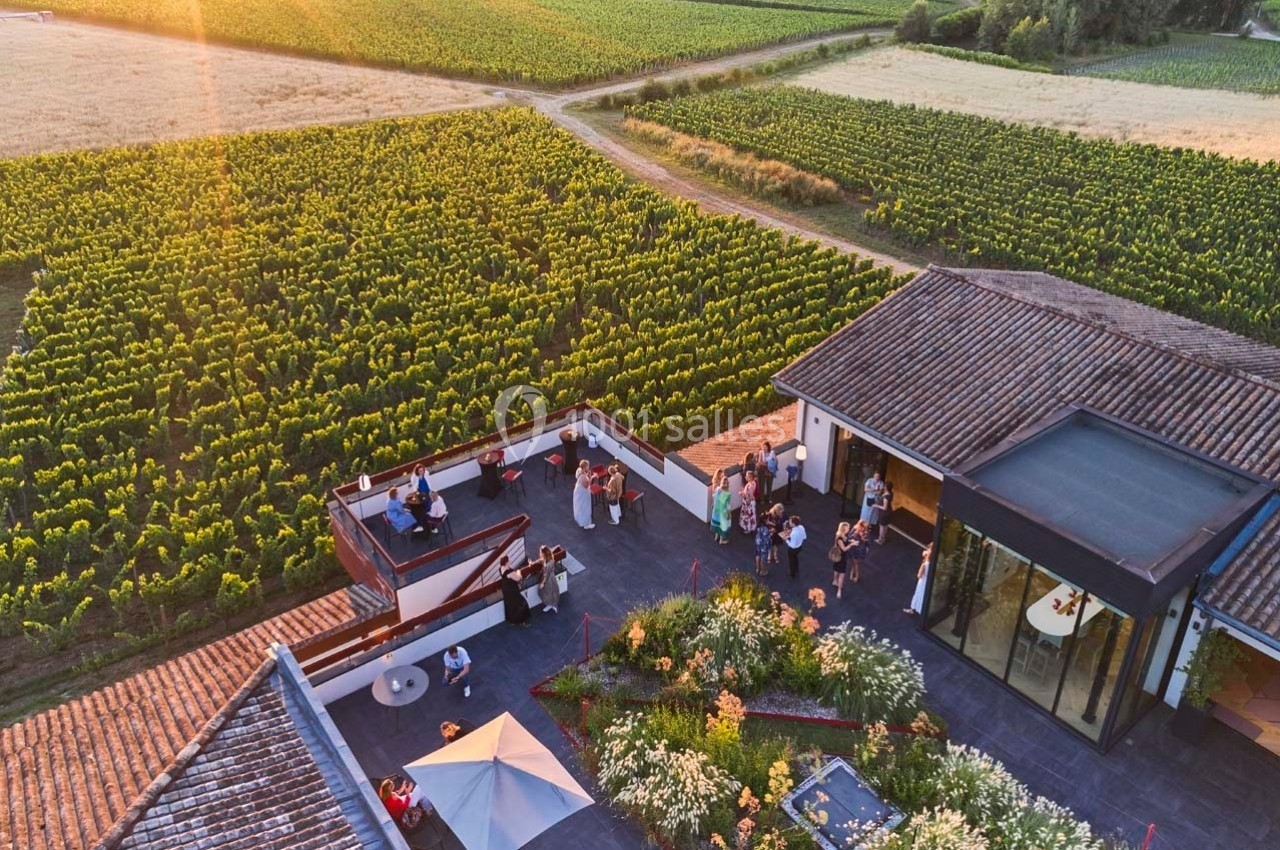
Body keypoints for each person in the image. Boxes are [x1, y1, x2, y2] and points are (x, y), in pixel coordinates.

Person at [499, 557, 531, 626]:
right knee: (521, 604)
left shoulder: (501, 568)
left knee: (511, 606)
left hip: (506, 590)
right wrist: (518, 572)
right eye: (509, 559)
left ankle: (513, 621)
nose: (511, 560)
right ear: (506, 562)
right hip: (512, 590)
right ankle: (522, 621)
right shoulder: (509, 572)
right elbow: (518, 578)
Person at [906, 545, 932, 615]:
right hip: (929, 582)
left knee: (918, 594)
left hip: (923, 582)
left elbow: (919, 575)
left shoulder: (925, 564)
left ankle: (913, 608)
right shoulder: (933, 565)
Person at [830, 521, 852, 599]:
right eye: (848, 528)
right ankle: (839, 590)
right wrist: (851, 544)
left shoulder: (842, 535)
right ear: (843, 529)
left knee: (836, 570)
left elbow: (846, 541)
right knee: (842, 574)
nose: (849, 529)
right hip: (841, 558)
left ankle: (835, 581)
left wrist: (850, 542)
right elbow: (844, 549)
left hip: (839, 557)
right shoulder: (839, 538)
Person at [536, 545, 560, 613]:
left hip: (549, 579)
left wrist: (542, 583)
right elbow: (541, 560)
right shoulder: (547, 559)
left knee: (548, 592)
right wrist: (533, 563)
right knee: (551, 592)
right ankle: (551, 605)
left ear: (543, 554)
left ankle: (553, 605)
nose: (539, 553)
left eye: (540, 552)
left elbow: (546, 574)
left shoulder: (549, 563)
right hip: (551, 578)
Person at [573, 460, 595, 530]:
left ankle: (581, 519)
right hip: (583, 492)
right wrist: (591, 478)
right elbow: (586, 485)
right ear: (585, 467)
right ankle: (586, 523)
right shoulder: (583, 476)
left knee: (580, 506)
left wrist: (587, 475)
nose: (589, 467)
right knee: (585, 506)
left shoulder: (579, 470)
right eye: (588, 466)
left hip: (579, 491)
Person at [782, 514, 806, 580]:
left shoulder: (794, 533)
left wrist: (786, 539)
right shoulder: (801, 527)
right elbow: (804, 537)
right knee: (795, 558)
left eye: (790, 522)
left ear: (793, 523)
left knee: (791, 561)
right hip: (800, 547)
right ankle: (796, 569)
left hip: (792, 550)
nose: (789, 523)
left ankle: (792, 575)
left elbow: (792, 545)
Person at [847, 520, 870, 585]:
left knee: (856, 563)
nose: (863, 530)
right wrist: (852, 540)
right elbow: (849, 536)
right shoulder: (854, 528)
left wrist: (863, 539)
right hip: (853, 548)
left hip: (859, 550)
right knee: (853, 561)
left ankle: (857, 576)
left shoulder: (866, 533)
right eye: (862, 528)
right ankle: (852, 570)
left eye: (864, 528)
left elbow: (868, 542)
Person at [710, 478, 732, 545]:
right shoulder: (728, 494)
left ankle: (716, 536)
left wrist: (713, 504)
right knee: (723, 525)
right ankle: (721, 540)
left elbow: (714, 497)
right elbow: (727, 505)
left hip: (716, 510)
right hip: (723, 512)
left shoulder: (717, 489)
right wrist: (729, 514)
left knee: (717, 523)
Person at [739, 470, 759, 535]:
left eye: (747, 476)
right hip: (748, 503)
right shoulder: (752, 483)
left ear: (750, 477)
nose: (745, 477)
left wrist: (742, 494)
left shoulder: (751, 485)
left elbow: (751, 497)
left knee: (748, 516)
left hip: (749, 503)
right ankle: (749, 527)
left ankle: (748, 529)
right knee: (749, 516)